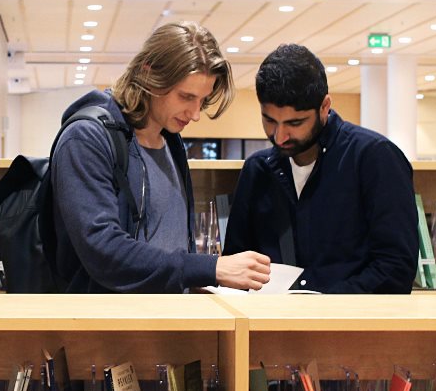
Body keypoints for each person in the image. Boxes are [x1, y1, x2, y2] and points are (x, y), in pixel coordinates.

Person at [51, 21, 272, 293]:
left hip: (166, 324)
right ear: (148, 75)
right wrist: (210, 269)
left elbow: (172, 245)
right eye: (185, 97)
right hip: (106, 327)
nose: (195, 114)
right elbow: (104, 252)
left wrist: (194, 283)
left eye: (201, 101)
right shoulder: (86, 138)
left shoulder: (171, 139)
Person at [223, 43, 418, 293]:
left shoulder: (375, 158)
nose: (280, 136)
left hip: (353, 325)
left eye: (295, 123)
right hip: (270, 325)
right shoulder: (257, 170)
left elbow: (396, 268)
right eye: (269, 120)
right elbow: (236, 267)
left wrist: (322, 307)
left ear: (325, 106)